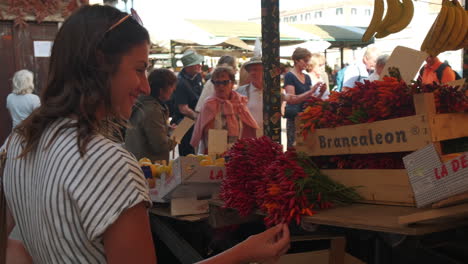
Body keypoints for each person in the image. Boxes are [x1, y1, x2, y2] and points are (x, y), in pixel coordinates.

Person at [1, 5, 290, 264]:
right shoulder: (108, 162)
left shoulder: (19, 143)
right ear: (100, 64)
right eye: (139, 69)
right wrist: (244, 253)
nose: (145, 87)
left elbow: (15, 249)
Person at [191, 66, 258, 154]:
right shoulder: (209, 104)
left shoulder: (240, 102)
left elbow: (248, 127)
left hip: (238, 151)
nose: (221, 86)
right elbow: (204, 132)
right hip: (214, 152)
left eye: (225, 82)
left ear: (232, 83)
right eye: (217, 83)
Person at [125, 68, 177, 162]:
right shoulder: (152, 110)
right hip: (150, 167)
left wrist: (167, 129)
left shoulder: (142, 103)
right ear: (161, 90)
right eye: (172, 86)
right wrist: (176, 136)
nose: (174, 89)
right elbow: (160, 146)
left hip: (139, 161)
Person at [284, 47, 326, 148]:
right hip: (295, 118)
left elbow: (311, 99)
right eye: (305, 61)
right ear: (297, 60)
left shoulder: (306, 77)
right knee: (295, 146)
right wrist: (311, 91)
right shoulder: (289, 76)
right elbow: (292, 99)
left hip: (306, 117)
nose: (307, 63)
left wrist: (321, 93)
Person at [171, 49, 204, 156]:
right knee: (187, 152)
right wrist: (198, 117)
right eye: (196, 64)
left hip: (196, 119)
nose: (199, 65)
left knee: (198, 151)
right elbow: (183, 108)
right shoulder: (180, 83)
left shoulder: (198, 76)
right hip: (184, 122)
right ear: (188, 67)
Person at [237, 55, 264, 137]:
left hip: (267, 138)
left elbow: (292, 98)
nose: (252, 73)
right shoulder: (240, 92)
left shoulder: (273, 93)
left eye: (255, 70)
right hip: (248, 137)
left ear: (264, 71)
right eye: (250, 70)